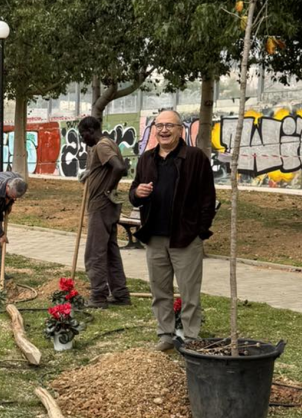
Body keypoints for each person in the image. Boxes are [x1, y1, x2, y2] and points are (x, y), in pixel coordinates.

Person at [128, 110, 216, 351]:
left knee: (189, 293)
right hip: (154, 236)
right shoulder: (146, 159)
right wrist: (137, 194)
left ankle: (190, 337)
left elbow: (208, 198)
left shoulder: (195, 158)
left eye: (169, 125)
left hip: (185, 237)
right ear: (154, 129)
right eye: (159, 125)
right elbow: (133, 194)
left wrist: (200, 230)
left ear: (181, 130)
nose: (164, 130)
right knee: (160, 290)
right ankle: (166, 335)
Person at [77, 116, 131, 308]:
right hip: (107, 205)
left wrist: (107, 189)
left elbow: (119, 167)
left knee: (94, 252)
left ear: (90, 131)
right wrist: (91, 174)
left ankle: (98, 296)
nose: (83, 139)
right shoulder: (107, 144)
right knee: (110, 250)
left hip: (102, 204)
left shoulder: (102, 145)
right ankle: (120, 294)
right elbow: (113, 168)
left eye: (83, 135)